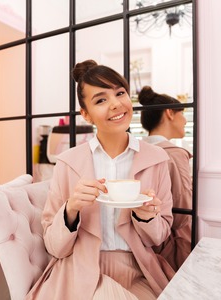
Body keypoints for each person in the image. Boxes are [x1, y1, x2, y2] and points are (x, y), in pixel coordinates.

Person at [26, 60, 174, 300]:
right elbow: (54, 247)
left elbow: (158, 238)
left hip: (139, 270)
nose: (116, 104)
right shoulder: (68, 163)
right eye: (101, 100)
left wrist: (146, 217)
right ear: (86, 114)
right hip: (80, 269)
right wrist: (71, 208)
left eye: (120, 93)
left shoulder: (156, 159)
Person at [138, 85, 193, 271]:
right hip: (171, 247)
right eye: (182, 113)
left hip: (142, 245)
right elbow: (182, 214)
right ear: (170, 113)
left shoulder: (136, 151)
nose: (185, 120)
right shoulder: (175, 155)